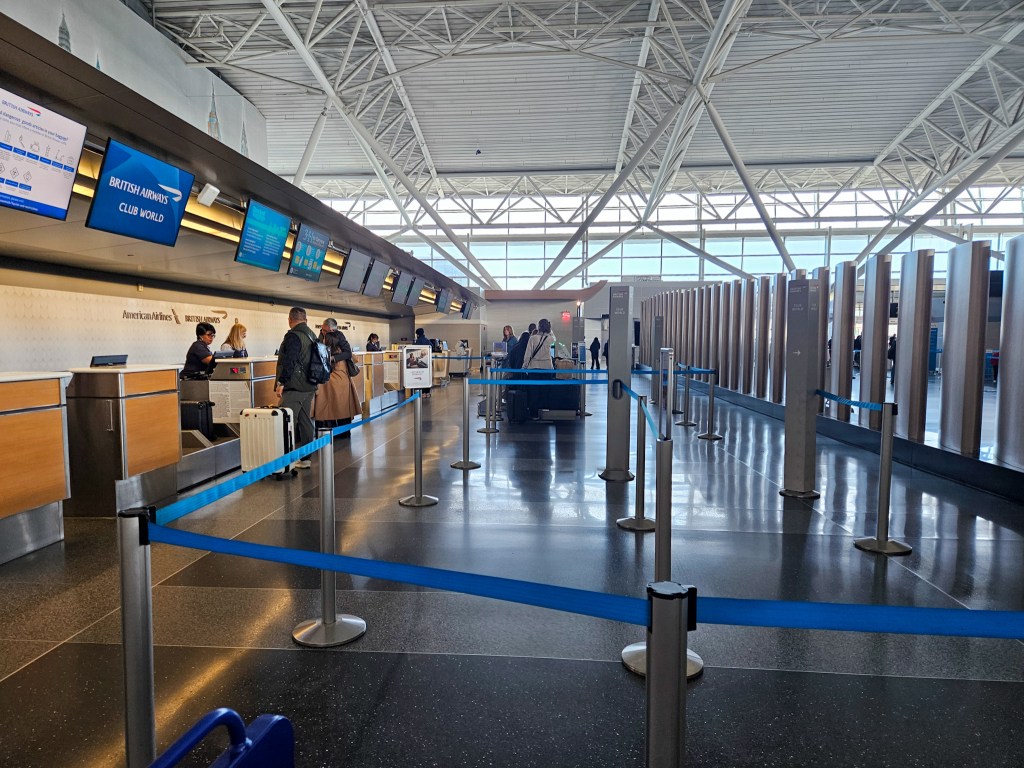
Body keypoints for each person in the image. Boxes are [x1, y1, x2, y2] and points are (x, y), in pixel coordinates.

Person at [275, 306, 319, 466]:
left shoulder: (293, 336)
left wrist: (282, 382)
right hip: (310, 385)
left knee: (285, 421)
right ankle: (306, 458)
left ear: (290, 320)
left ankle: (285, 461)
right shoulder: (312, 335)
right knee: (305, 420)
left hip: (295, 387)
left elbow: (290, 361)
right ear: (305, 320)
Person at [313, 330, 362, 439]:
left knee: (328, 410)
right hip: (343, 383)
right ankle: (345, 432)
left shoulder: (325, 352)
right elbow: (355, 359)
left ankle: (330, 433)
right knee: (343, 409)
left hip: (329, 384)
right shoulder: (343, 352)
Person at [521, 318, 555, 418]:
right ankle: (544, 411)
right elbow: (554, 337)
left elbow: (528, 354)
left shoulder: (533, 338)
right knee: (545, 390)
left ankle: (534, 413)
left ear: (538, 326)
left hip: (534, 367)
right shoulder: (550, 338)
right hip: (547, 367)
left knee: (534, 391)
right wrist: (549, 329)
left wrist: (525, 366)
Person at [414, 327, 432, 397]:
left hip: (421, 362)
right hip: (428, 362)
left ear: (417, 334)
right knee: (427, 377)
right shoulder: (427, 340)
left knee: (421, 377)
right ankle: (427, 392)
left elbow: (415, 350)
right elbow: (432, 347)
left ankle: (423, 393)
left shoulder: (418, 341)